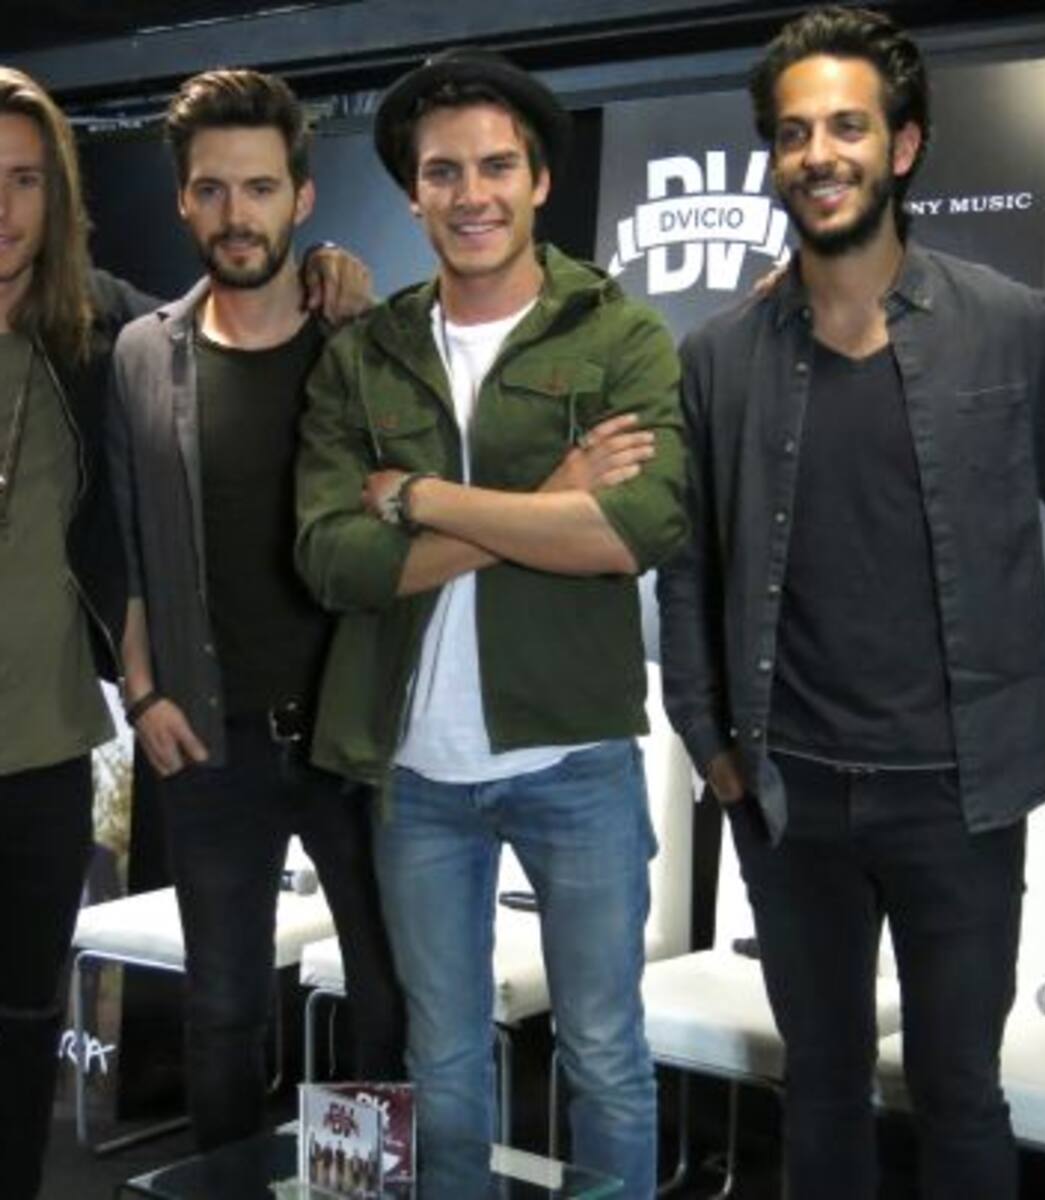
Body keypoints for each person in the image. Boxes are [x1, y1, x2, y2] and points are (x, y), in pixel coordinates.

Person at [657, 8, 1045, 1199]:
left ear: (904, 145)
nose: (818, 154)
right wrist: (708, 738)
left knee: (961, 1095)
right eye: (794, 133)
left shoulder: (1017, 330)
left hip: (961, 798)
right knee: (823, 1091)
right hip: (791, 800)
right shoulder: (719, 356)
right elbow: (686, 563)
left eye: (847, 126)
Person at [294, 47, 686, 1196]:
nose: (473, 194)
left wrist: (423, 499)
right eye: (444, 172)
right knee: (445, 1063)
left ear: (539, 180)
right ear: (414, 195)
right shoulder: (364, 356)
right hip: (415, 774)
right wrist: (549, 499)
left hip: (577, 762)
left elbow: (636, 529)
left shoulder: (617, 335)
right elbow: (335, 560)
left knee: (605, 1056)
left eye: (497, 166)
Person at [107, 68, 404, 1151]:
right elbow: (131, 546)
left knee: (385, 1000)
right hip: (210, 742)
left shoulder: (359, 342)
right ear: (185, 202)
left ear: (303, 197)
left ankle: (359, 1187)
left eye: (261, 188)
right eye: (213, 190)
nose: (238, 215)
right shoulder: (145, 355)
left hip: (354, 740)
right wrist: (143, 693)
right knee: (223, 1010)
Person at [0, 66, 156, 1200]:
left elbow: (226, 325)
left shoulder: (93, 330)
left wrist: (323, 278)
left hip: (41, 752)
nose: (1, 209)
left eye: (22, 180)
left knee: (20, 1037)